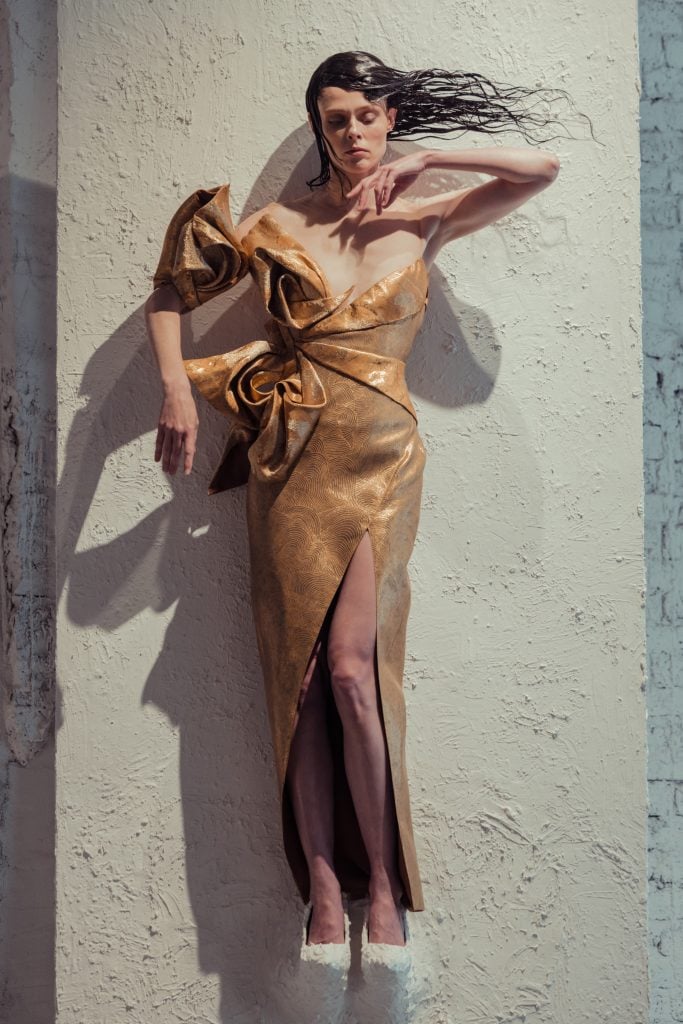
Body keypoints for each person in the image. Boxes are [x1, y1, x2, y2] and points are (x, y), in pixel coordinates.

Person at [144, 51, 566, 950]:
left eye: (369, 117)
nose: (353, 133)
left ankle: (384, 880)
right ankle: (324, 886)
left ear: (389, 120)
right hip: (290, 461)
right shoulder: (276, 223)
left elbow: (541, 169)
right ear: (318, 127)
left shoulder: (422, 213)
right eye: (335, 119)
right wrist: (177, 391)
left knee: (351, 671)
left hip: (381, 459)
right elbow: (173, 288)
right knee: (297, 681)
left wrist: (425, 163)